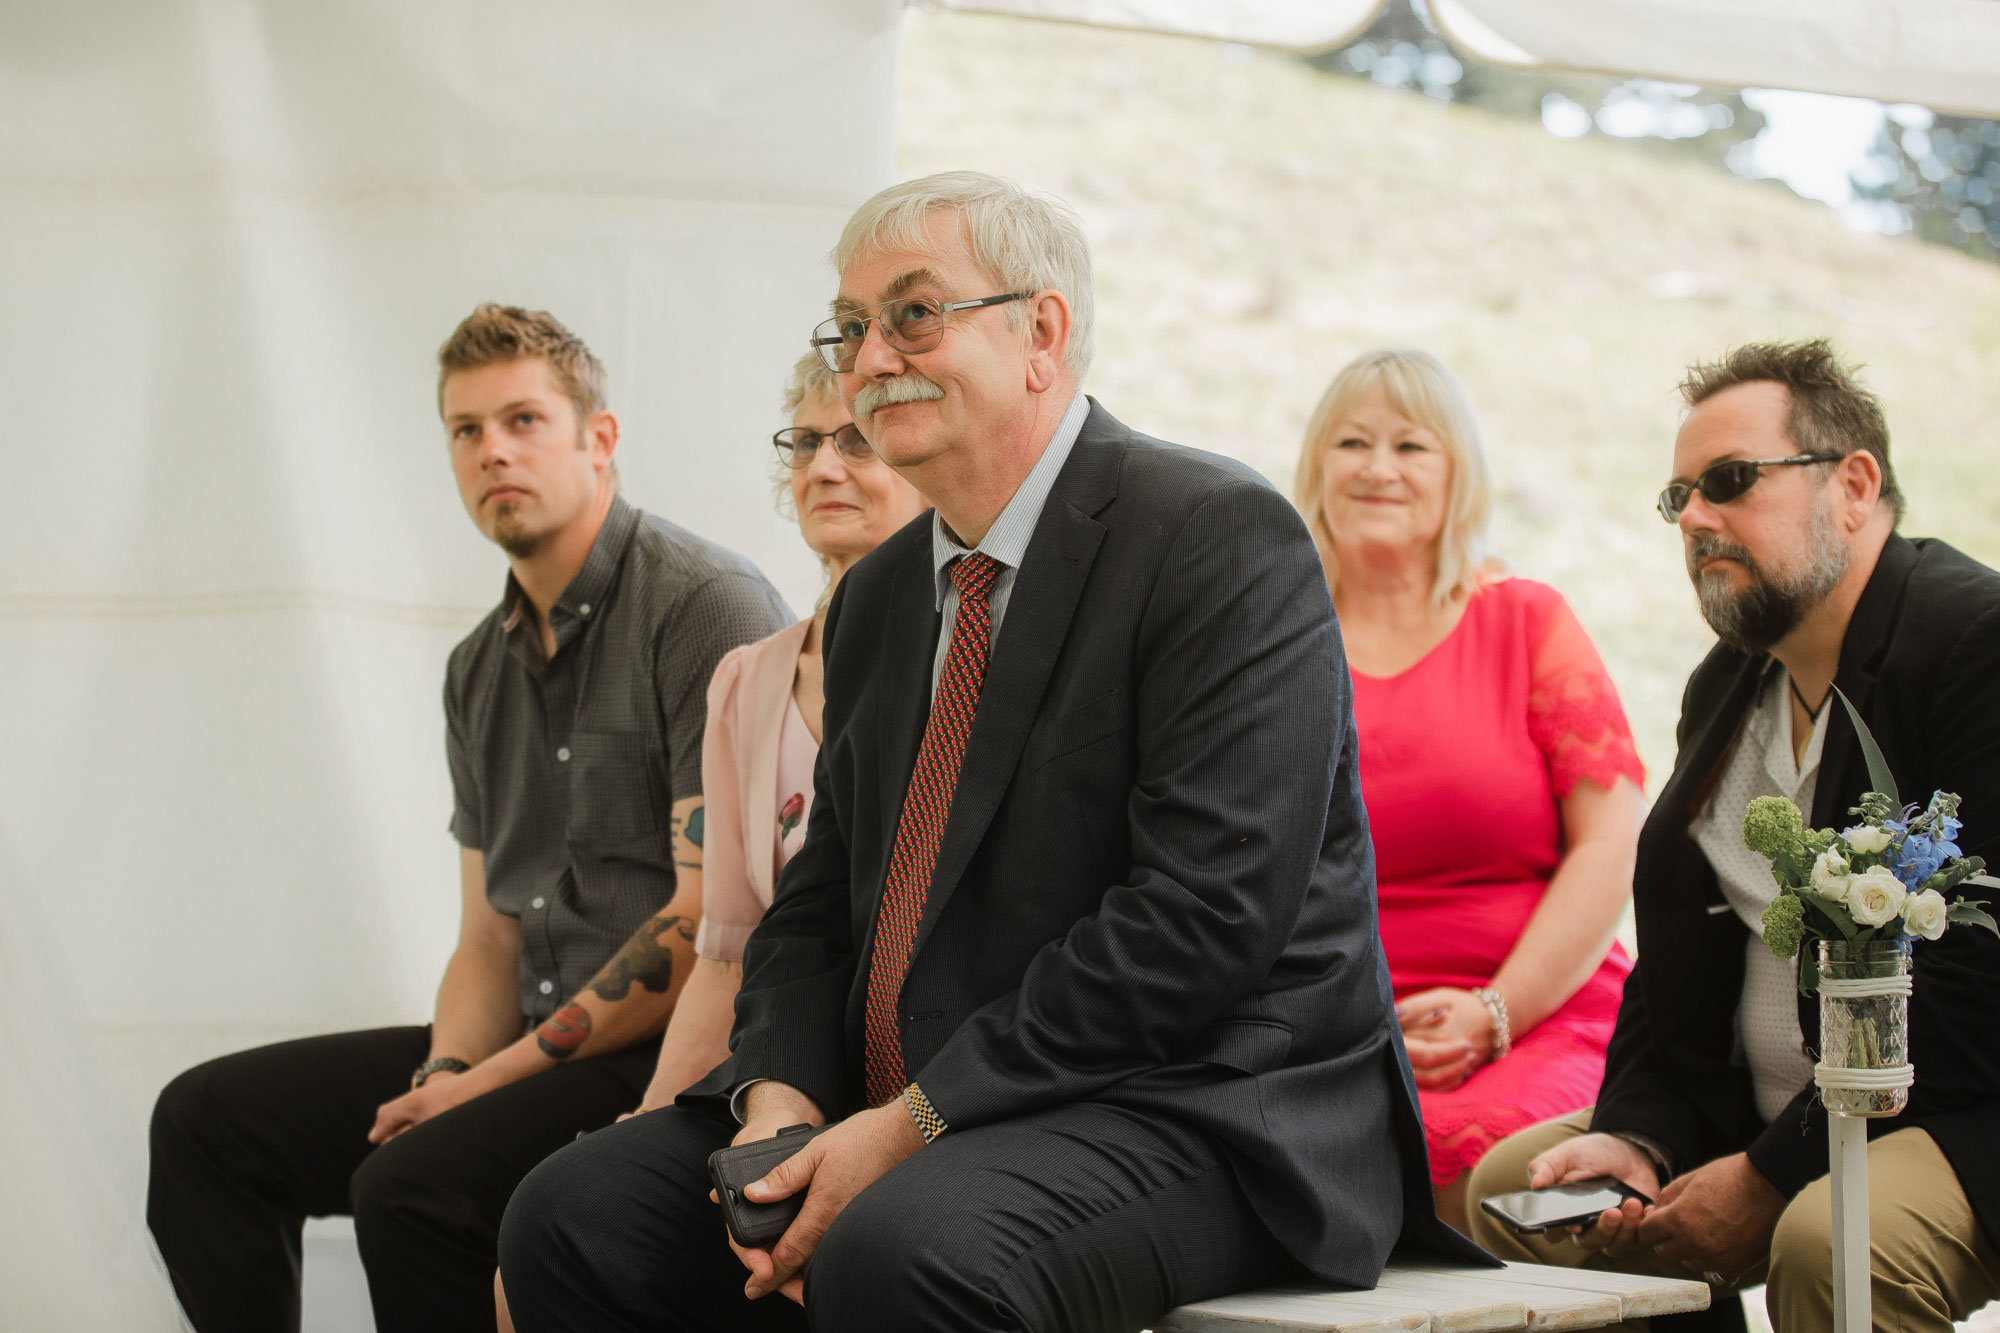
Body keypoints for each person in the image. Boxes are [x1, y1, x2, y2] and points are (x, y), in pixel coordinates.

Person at [497, 170, 1485, 1333]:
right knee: (572, 1212)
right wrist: (778, 1095)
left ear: (1041, 333)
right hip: (931, 1104)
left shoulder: (1214, 534)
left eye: (913, 313)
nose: (869, 356)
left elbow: (1202, 919)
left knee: (908, 1253)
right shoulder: (875, 599)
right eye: (850, 327)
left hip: (1202, 1103)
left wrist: (911, 1122)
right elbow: (817, 901)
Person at [146, 303, 792, 1333]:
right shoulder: (477, 668)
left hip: (674, 1054)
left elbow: (698, 922)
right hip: (535, 1036)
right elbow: (489, 934)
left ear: (600, 437)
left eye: (523, 419)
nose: (492, 449)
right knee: (209, 1122)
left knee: (412, 1187)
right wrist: (447, 1070)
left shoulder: (704, 604)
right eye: (465, 429)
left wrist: (478, 1085)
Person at [1465, 340, 2000, 1331]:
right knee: (1519, 1196)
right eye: (1678, 499)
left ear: (1851, 484)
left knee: (1825, 1235)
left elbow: (1975, 1000)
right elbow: (1674, 965)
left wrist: (1769, 1173)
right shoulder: (1729, 680)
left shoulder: (1972, 644)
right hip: (1759, 1113)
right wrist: (1639, 1136)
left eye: (1727, 481)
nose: (1695, 518)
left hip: (1954, 1107)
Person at [1290, 349, 1644, 1235]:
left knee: (1496, 1171)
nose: (1377, 467)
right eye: (1352, 442)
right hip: (1330, 1028)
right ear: (1315, 466)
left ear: (1459, 473)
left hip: (1538, 1010)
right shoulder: (1271, 639)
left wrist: (1496, 1011)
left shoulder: (1527, 620)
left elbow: (1611, 844)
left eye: (1411, 445)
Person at [629, 352, 931, 1113]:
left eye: (857, 439)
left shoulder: (965, 664)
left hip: (926, 1090)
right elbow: (725, 959)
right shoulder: (742, 683)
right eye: (805, 442)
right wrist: (644, 1116)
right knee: (575, 1198)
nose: (824, 466)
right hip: (779, 1074)